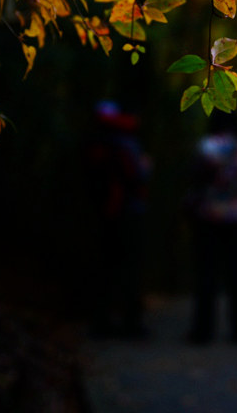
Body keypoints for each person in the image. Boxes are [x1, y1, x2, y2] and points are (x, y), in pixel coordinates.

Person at [184, 110, 237, 345]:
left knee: (207, 275)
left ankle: (203, 330)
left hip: (208, 216)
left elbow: (195, 178)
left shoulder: (206, 145)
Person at [84, 100, 151, 338]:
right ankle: (130, 323)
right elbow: (137, 175)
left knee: (107, 267)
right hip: (128, 212)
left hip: (106, 212)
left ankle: (103, 321)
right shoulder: (125, 143)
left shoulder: (97, 140)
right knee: (129, 267)